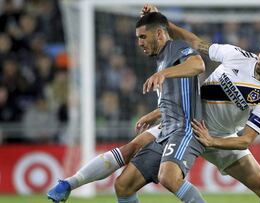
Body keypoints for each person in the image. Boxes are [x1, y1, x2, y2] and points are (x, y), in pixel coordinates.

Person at [48, 4, 260, 203]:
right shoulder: (238, 56)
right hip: (188, 121)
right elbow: (197, 43)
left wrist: (213, 141)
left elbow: (245, 140)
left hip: (221, 138)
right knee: (131, 153)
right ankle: (69, 182)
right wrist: (163, 21)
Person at [48, 11, 207, 203]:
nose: (139, 42)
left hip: (184, 129)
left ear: (158, 34)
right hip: (166, 130)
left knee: (169, 178)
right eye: (138, 38)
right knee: (124, 185)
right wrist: (155, 113)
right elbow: (179, 98)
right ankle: (69, 184)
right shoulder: (162, 59)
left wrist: (164, 73)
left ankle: (70, 183)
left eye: (143, 37)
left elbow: (198, 65)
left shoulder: (176, 47)